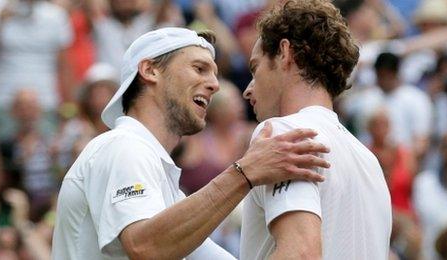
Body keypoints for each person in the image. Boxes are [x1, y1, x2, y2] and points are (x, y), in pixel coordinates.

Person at [52, 27, 331, 259]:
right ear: (150, 70)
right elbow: (145, 246)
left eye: (214, 73)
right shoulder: (122, 146)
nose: (215, 84)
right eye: (199, 68)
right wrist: (246, 172)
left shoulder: (161, 178)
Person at [239, 1, 392, 259]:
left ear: (285, 53)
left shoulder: (283, 132)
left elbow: (300, 253)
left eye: (256, 68)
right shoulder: (369, 161)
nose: (248, 89)